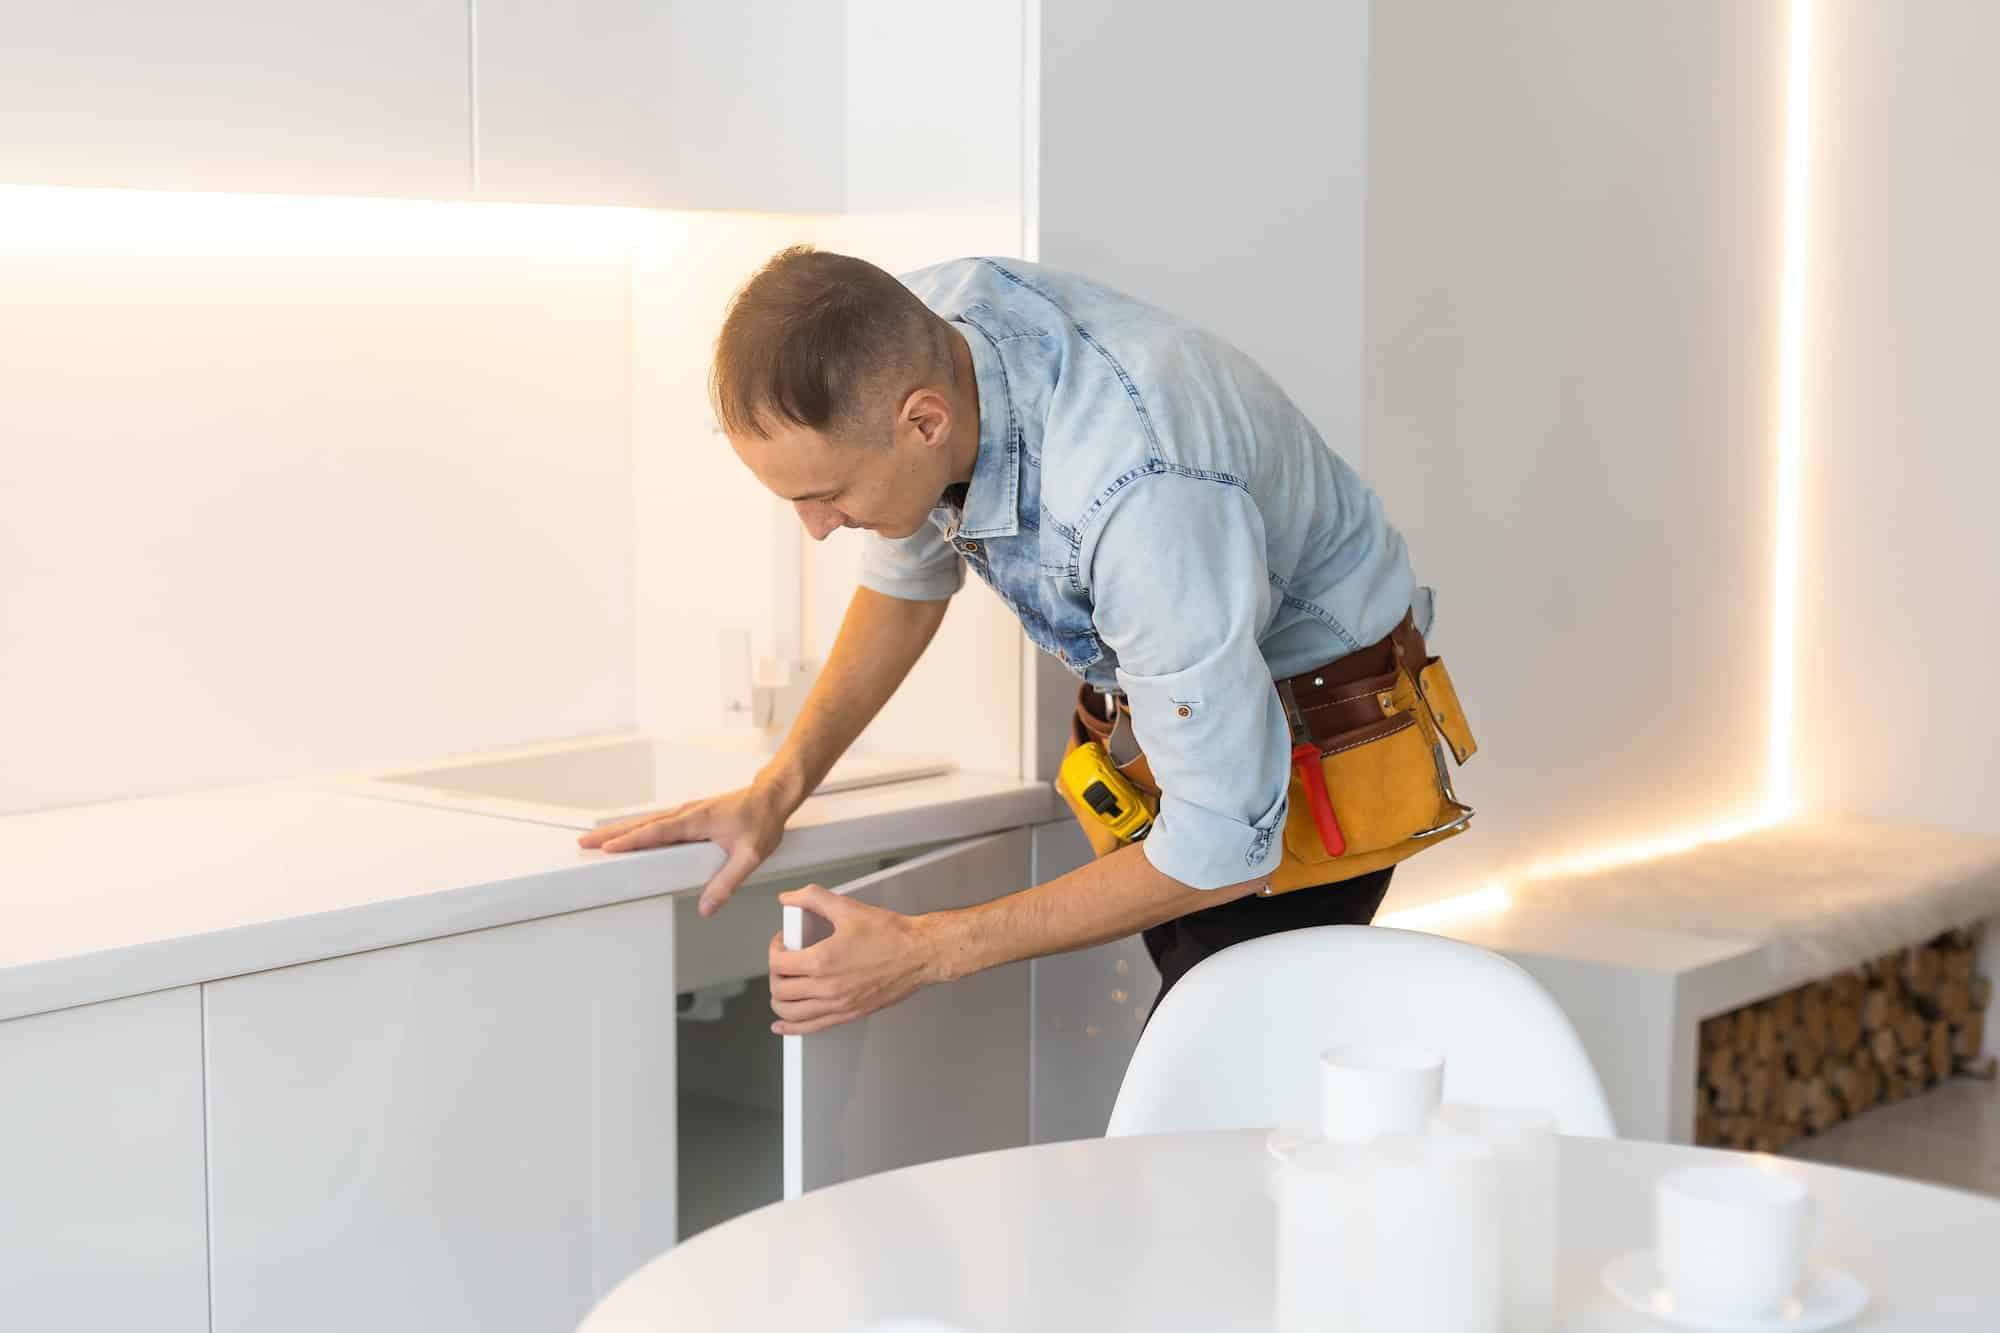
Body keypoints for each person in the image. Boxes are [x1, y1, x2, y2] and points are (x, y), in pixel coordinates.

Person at [582, 247, 1473, 1036]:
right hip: (1185, 720)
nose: (818, 529)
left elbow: (1218, 847)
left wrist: (925, 949)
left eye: (827, 493)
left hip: (1316, 738)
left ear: (923, 422)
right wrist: (774, 790)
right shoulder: (913, 331)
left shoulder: (1140, 497)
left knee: (1208, 1106)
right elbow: (908, 575)